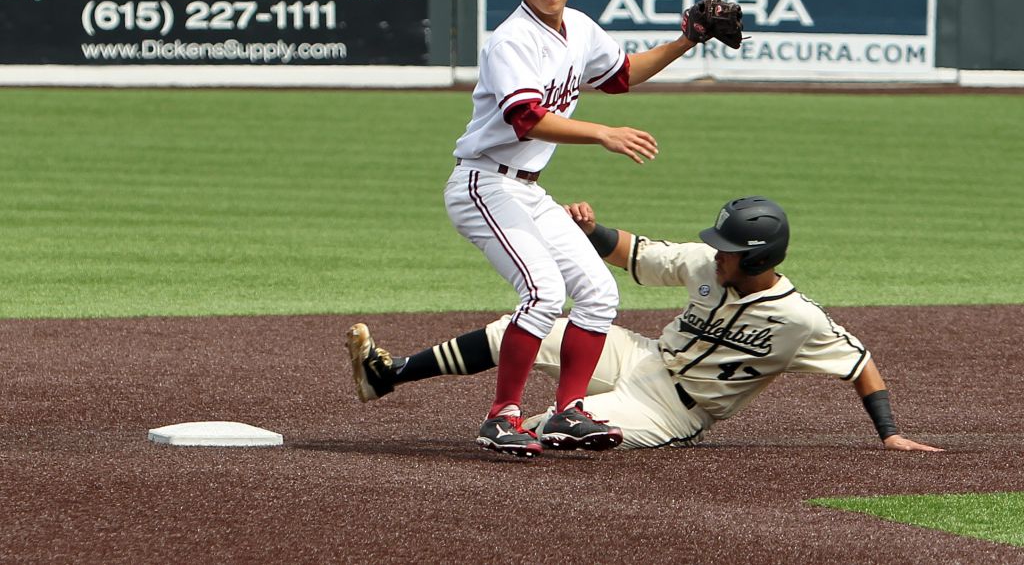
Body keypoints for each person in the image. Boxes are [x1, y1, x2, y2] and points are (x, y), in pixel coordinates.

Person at [428, 0, 734, 457]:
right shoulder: (510, 40)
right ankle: (501, 416)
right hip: (483, 183)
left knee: (598, 292)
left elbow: (621, 75)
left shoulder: (580, 28)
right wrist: (603, 133)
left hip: (526, 189)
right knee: (544, 293)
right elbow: (524, 119)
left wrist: (688, 40)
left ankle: (568, 412)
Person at [345, 196, 943, 454]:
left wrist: (888, 432)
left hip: (674, 411)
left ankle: (526, 426)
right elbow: (634, 253)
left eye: (731, 249)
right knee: (523, 329)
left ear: (759, 259)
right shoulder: (706, 266)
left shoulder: (798, 320)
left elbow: (860, 363)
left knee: (550, 430)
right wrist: (588, 230)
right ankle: (388, 374)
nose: (718, 253)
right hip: (641, 356)